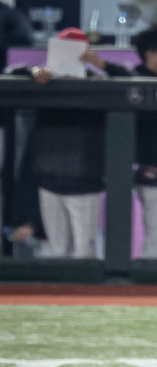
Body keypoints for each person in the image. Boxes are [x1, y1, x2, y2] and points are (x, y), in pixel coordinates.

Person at [92, 25, 157, 259]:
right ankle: (143, 293)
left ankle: (154, 292)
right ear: (151, 54)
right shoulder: (138, 83)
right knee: (156, 247)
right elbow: (130, 79)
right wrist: (106, 65)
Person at [8, 28, 107, 258]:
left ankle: (88, 296)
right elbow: (12, 73)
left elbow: (126, 85)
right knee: (55, 251)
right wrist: (34, 72)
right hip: (48, 179)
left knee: (84, 253)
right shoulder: (44, 80)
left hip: (84, 182)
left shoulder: (96, 84)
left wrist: (100, 65)